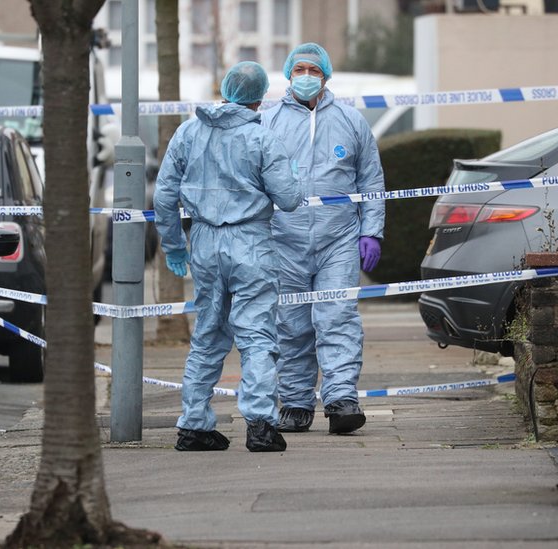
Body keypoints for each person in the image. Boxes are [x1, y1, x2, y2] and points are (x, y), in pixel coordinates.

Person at [154, 61, 303, 452]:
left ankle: (194, 424)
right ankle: (260, 425)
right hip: (250, 243)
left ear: (224, 90)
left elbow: (164, 195)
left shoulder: (188, 131)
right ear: (260, 98)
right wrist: (295, 176)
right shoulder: (262, 140)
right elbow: (288, 199)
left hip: (203, 242)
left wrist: (173, 245)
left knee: (207, 332)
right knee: (256, 336)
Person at [262, 43, 385, 435]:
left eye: (313, 70)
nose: (306, 76)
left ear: (327, 76)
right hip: (284, 240)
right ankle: (296, 404)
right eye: (299, 69)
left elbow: (372, 180)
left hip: (339, 240)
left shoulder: (351, 121)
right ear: (287, 74)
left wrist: (372, 231)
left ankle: (341, 399)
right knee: (291, 324)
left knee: (337, 319)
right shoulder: (268, 121)